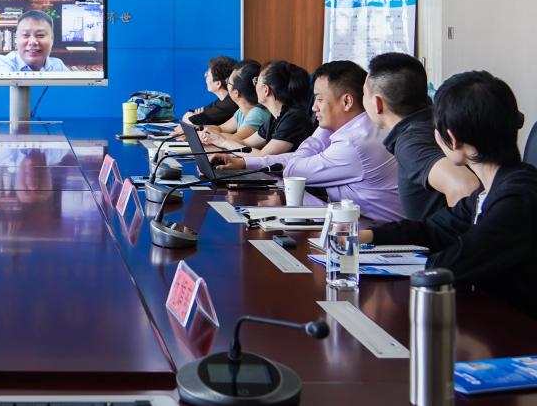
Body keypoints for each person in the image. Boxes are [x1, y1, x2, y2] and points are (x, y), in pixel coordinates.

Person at [361, 71, 537, 318]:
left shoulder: (516, 198)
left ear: (451, 139)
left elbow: (453, 264)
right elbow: (432, 230)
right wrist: (366, 236)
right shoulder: (491, 191)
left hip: (517, 330)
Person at [214, 61, 401, 222]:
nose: (313, 107)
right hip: (351, 219)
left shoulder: (353, 143)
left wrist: (319, 134)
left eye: (319, 99)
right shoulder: (359, 127)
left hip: (370, 233)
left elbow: (294, 171)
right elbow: (298, 161)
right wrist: (244, 163)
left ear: (346, 102)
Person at [364, 53, 480, 219]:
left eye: (364, 94)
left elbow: (465, 186)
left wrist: (455, 235)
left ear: (377, 103)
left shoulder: (411, 143)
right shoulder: (432, 122)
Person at [206, 60, 313, 156]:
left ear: (266, 90)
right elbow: (245, 143)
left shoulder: (293, 119)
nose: (254, 87)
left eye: (256, 81)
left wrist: (223, 142)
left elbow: (262, 156)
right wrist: (215, 142)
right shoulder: (275, 118)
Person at [196, 60, 271, 145]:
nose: (226, 84)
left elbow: (236, 138)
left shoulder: (258, 113)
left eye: (228, 82)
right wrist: (199, 130)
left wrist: (205, 135)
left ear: (236, 93)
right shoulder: (241, 111)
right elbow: (221, 128)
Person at [0, 10, 69, 73]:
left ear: (52, 39)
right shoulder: (3, 63)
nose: (32, 42)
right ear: (16, 39)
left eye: (40, 35)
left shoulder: (58, 66)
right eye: (25, 35)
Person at [185, 56, 238, 126]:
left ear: (218, 84)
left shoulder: (229, 105)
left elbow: (193, 122)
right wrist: (191, 116)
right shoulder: (221, 100)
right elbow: (192, 114)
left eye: (208, 74)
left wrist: (189, 116)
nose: (205, 75)